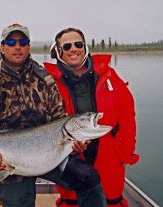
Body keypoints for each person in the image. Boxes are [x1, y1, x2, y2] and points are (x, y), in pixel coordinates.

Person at [0, 23, 107, 207]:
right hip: (9, 165)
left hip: (51, 156)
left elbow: (59, 117)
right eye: (11, 41)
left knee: (88, 178)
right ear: (2, 47)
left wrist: (76, 144)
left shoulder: (44, 78)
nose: (18, 46)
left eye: (23, 41)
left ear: (29, 46)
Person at [43, 28, 140, 207]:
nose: (74, 49)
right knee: (72, 201)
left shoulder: (109, 76)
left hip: (109, 156)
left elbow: (127, 113)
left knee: (112, 200)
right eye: (67, 46)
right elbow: (45, 124)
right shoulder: (48, 84)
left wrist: (125, 150)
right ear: (58, 51)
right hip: (70, 155)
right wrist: (68, 147)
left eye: (78, 44)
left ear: (85, 47)